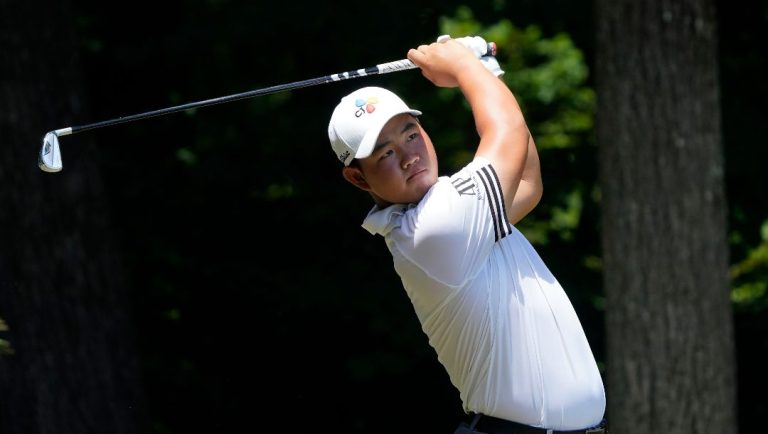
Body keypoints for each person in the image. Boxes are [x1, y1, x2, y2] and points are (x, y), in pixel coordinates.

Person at [326, 36, 607, 434]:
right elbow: (507, 130)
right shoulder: (433, 228)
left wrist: (484, 67)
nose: (409, 156)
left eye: (410, 134)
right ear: (358, 177)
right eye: (386, 153)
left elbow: (526, 179)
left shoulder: (456, 213)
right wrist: (463, 66)